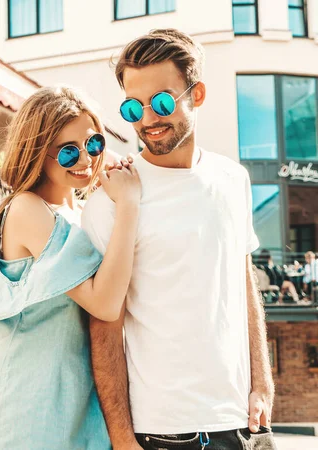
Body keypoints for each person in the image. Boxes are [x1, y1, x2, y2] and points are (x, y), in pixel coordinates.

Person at [82, 29, 277, 449]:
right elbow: (104, 324)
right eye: (134, 107)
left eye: (164, 102)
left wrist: (262, 382)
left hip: (241, 421)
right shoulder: (113, 197)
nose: (149, 119)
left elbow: (245, 286)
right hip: (161, 430)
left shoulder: (233, 180)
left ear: (198, 94)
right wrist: (121, 437)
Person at [0, 86, 141, 449]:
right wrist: (129, 205)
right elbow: (104, 303)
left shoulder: (80, 213)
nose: (86, 160)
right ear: (37, 153)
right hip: (26, 407)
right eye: (68, 151)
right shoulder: (28, 209)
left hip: (74, 404)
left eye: (93, 145)